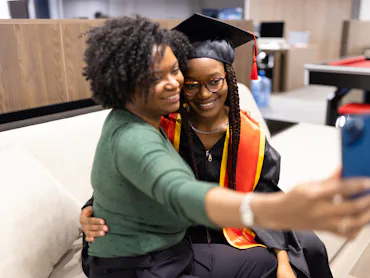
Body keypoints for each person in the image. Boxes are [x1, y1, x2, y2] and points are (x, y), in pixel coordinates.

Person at [81, 14, 370, 278]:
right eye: (191, 84)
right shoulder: (163, 125)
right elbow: (162, 184)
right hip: (182, 235)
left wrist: (281, 247)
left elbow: (263, 189)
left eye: (215, 82)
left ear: (228, 79)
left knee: (310, 248)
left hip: (233, 223)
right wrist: (92, 210)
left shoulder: (248, 134)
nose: (203, 93)